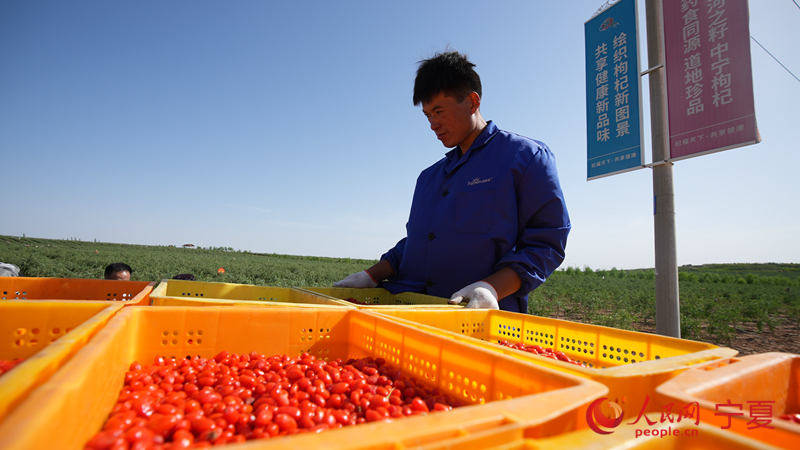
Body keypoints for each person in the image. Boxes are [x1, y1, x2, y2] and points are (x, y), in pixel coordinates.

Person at [334, 51, 570, 312]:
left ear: (472, 102)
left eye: (439, 111)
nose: (433, 124)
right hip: (410, 311)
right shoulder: (429, 177)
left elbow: (546, 241)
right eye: (427, 115)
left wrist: (491, 288)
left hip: (475, 317)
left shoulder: (524, 158)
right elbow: (416, 243)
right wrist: (371, 275)